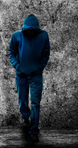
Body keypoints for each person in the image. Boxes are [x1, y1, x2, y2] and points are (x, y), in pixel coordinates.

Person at [8, 14, 50, 142]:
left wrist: (40, 67)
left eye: (33, 29)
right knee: (23, 101)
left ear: (36, 28)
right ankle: (25, 116)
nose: (30, 32)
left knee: (35, 103)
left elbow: (46, 53)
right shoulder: (17, 36)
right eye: (28, 29)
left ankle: (34, 130)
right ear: (25, 28)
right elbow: (11, 52)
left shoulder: (43, 36)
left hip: (36, 75)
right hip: (21, 75)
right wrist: (17, 66)